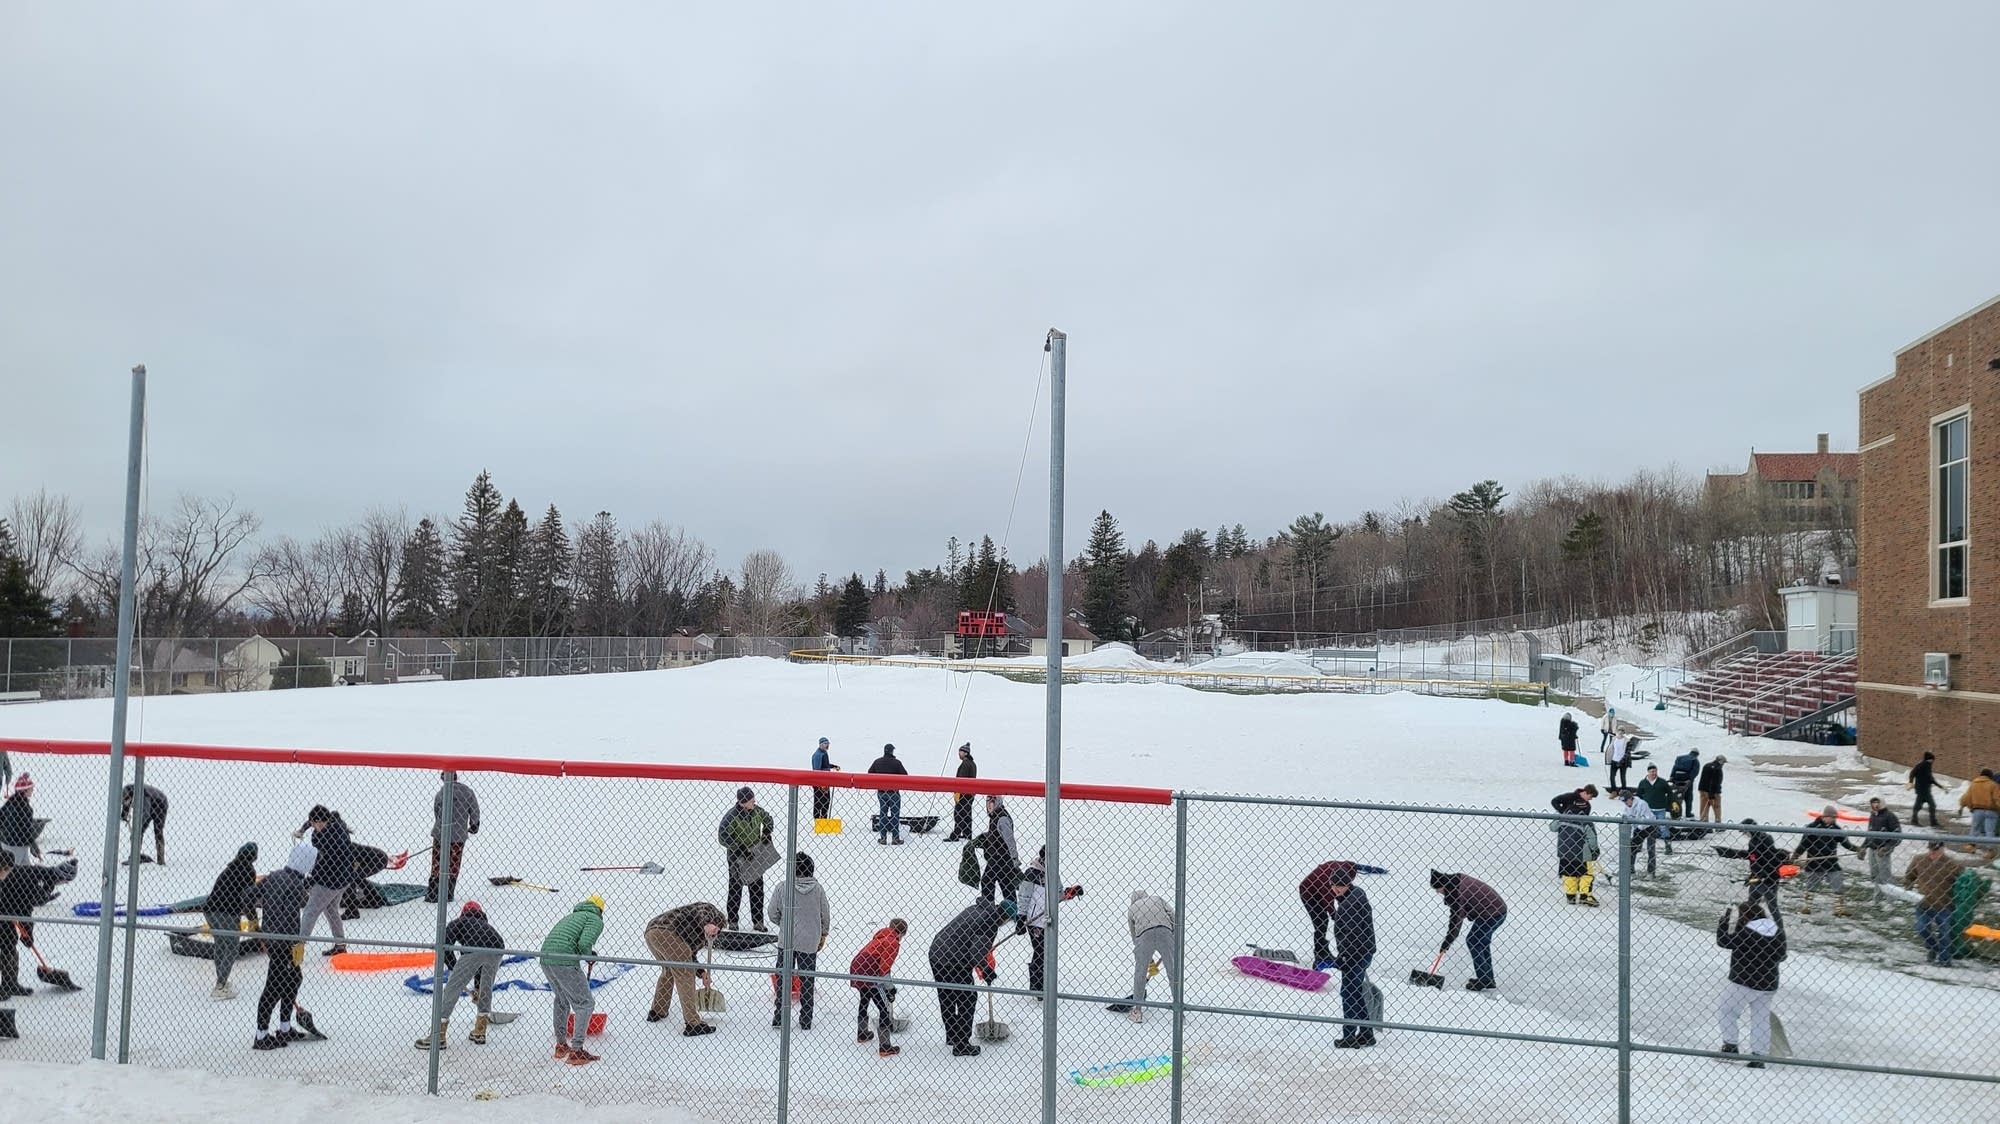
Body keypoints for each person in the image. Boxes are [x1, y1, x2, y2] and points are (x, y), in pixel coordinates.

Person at [250, 842, 323, 1050]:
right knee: (273, 988)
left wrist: (256, 926)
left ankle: (284, 1028)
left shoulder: (274, 876)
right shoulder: (295, 886)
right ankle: (261, 1036)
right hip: (285, 942)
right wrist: (295, 944)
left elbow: (247, 897)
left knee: (294, 979)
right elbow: (292, 917)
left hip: (273, 939)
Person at [928, 897, 1015, 1056]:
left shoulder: (977, 908)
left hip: (937, 952)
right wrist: (987, 970)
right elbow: (976, 951)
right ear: (1005, 918)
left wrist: (983, 964)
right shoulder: (990, 923)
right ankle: (961, 1044)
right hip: (954, 959)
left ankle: (952, 1035)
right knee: (967, 998)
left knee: (946, 995)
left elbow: (973, 944)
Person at [417, 900, 506, 1048]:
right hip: (497, 948)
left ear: (463, 913)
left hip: (474, 949)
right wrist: (478, 987)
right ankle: (480, 1031)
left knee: (452, 990)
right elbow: (481, 961)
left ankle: (438, 1035)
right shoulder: (486, 926)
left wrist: (453, 968)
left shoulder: (459, 922)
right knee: (486, 988)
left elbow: (445, 946)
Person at [1714, 898, 1786, 1068]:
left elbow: (1724, 941)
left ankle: (1730, 1046)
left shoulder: (1747, 932)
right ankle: (1759, 1057)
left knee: (1727, 1011)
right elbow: (1782, 955)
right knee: (1760, 1019)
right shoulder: (1776, 930)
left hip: (1744, 981)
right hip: (1768, 983)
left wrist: (1725, 918)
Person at [0, 849, 76, 998]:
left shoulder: (20, 879)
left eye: (6, 869)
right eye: (0, 868)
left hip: (7, 914)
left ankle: (10, 984)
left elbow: (25, 909)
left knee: (9, 946)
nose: (3, 872)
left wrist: (27, 933)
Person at [540, 894, 605, 1066]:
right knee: (585, 1003)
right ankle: (577, 1051)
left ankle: (561, 1045)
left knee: (561, 999)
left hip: (545, 957)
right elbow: (584, 943)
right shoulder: (595, 919)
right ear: (600, 910)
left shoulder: (572, 916)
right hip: (564, 960)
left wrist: (587, 954)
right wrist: (588, 954)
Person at [768, 852, 830, 1031]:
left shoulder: (783, 887)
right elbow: (825, 914)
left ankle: (779, 1016)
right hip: (810, 941)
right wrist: (822, 933)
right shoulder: (818, 890)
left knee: (783, 977)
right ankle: (806, 1019)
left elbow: (772, 912)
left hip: (787, 940)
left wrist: (785, 923)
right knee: (807, 979)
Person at [643, 900, 724, 1036]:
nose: (714, 935)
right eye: (716, 930)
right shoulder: (711, 911)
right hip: (668, 932)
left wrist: (702, 973)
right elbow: (702, 911)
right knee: (685, 974)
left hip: (652, 932)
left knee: (669, 970)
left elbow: (689, 956)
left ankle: (657, 1011)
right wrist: (709, 923)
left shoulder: (699, 937)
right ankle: (693, 1023)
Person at [1319, 863, 1377, 1049]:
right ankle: (1367, 1033)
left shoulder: (1348, 906)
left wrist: (1344, 958)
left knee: (1349, 994)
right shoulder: (1356, 893)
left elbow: (1351, 936)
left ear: (1345, 885)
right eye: (1333, 885)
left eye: (1338, 886)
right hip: (1363, 952)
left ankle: (1350, 1036)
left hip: (1355, 956)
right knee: (1355, 992)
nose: (1334, 889)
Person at [1430, 870, 1506, 990]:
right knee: (1482, 943)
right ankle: (1487, 978)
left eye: (1438, 888)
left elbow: (1456, 920)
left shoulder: (1456, 892)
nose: (1437, 891)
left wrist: (1447, 941)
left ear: (1444, 885)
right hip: (1496, 911)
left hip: (1492, 913)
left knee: (1473, 941)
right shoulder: (1455, 882)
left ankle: (1484, 979)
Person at [203, 842, 260, 1000]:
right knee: (232, 947)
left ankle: (221, 980)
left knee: (221, 944)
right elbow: (247, 900)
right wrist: (253, 921)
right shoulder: (248, 871)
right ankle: (220, 985)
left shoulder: (231, 867)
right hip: (226, 912)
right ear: (254, 857)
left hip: (209, 910)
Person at [296, 806, 355, 955]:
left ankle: (298, 947)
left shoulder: (333, 838)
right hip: (344, 878)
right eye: (316, 823)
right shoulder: (330, 824)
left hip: (332, 881)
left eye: (322, 823)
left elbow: (326, 863)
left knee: (311, 910)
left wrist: (312, 879)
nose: (318, 826)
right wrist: (302, 829)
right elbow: (310, 822)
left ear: (327, 821)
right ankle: (340, 945)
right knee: (330, 909)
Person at [1904, 840, 1971, 965]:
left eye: (1935, 850)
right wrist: (1908, 889)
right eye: (1931, 850)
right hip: (1923, 904)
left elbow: (1965, 879)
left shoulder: (1952, 864)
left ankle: (1945, 961)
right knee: (1921, 928)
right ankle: (1934, 948)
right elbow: (1909, 875)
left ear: (1942, 850)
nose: (1932, 853)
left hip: (1944, 905)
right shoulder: (1919, 860)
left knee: (1944, 934)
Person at [718, 787, 774, 932]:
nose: (754, 801)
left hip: (754, 856)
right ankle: (733, 920)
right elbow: (722, 837)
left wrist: (767, 832)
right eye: (751, 799)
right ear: (743, 802)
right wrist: (740, 848)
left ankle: (758, 921)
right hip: (737, 859)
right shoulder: (731, 816)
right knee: (735, 889)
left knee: (757, 889)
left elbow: (768, 819)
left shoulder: (757, 811)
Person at [850, 918, 907, 1057]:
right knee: (884, 1008)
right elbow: (884, 969)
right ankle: (885, 1045)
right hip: (869, 971)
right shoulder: (893, 942)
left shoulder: (881, 936)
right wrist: (890, 989)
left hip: (857, 966)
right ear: (901, 933)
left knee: (864, 998)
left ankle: (862, 1033)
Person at [1714, 820, 1785, 921]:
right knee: (1752, 905)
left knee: (1772, 906)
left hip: (1769, 879)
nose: (1744, 834)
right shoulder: (1753, 841)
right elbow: (1753, 859)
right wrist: (1752, 876)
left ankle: (1779, 930)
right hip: (1757, 878)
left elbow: (1767, 860)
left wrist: (1759, 875)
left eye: (1744, 832)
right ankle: (1751, 927)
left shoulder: (1765, 839)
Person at [1126, 889, 1180, 1023]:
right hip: (1165, 932)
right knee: (1173, 972)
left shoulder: (1132, 909)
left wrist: (1148, 962)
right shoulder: (1157, 899)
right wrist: (1173, 934)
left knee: (1140, 973)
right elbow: (1173, 915)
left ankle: (1137, 1011)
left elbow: (1135, 937)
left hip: (1144, 937)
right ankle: (1179, 1011)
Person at [428, 770, 480, 904]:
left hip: (440, 834)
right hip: (458, 835)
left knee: (437, 863)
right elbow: (474, 809)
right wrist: (474, 824)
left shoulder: (441, 793)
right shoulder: (467, 792)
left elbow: (437, 812)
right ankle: (448, 892)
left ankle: (434, 892)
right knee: (453, 864)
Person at [1791, 807, 1849, 916]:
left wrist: (1857, 849)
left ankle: (1839, 909)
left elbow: (1846, 843)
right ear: (1825, 817)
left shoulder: (1836, 829)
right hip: (1814, 863)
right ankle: (1807, 907)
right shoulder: (1812, 828)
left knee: (1838, 883)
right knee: (1811, 886)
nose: (1834, 820)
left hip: (1831, 863)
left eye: (1835, 818)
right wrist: (1795, 855)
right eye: (1832, 817)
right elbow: (1804, 844)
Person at [1841, 797, 1901, 899]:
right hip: (1872, 849)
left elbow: (1897, 835)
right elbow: (1869, 834)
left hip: (1883, 850)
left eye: (1877, 802)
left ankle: (1891, 900)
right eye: (1873, 803)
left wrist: (1887, 847)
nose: (1875, 805)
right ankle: (1877, 897)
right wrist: (1863, 847)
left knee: (1885, 875)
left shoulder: (1890, 816)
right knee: (1875, 875)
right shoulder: (1873, 816)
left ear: (1882, 803)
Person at [1551, 786, 1601, 906]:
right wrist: (1595, 850)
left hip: (1564, 851)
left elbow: (1552, 827)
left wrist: (1561, 814)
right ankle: (1585, 895)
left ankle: (1571, 896)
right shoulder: (1586, 821)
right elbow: (1592, 837)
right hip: (1580, 852)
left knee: (1568, 874)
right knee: (1586, 874)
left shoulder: (1562, 817)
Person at [1299, 860, 1349, 971]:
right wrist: (1335, 916)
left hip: (1318, 890)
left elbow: (1341, 893)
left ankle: (1323, 950)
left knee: (1323, 921)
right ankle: (1320, 953)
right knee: (1321, 921)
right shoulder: (1328, 878)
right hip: (1308, 893)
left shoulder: (1344, 872)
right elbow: (1327, 899)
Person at [1019, 846, 1050, 994]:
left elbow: (1058, 895)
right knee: (1040, 951)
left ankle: (1042, 983)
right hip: (1034, 921)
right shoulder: (1031, 874)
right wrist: (1021, 917)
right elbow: (1024, 897)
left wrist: (1071, 892)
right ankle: (1037, 985)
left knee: (1044, 952)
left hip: (1048, 920)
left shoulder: (1052, 873)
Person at [978, 795, 1020, 904]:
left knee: (987, 880)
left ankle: (988, 907)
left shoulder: (1002, 819)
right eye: (987, 802)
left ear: (997, 802)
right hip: (998, 857)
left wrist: (1014, 858)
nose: (989, 805)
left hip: (1000, 858)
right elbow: (997, 835)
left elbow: (1010, 840)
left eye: (992, 802)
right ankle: (1012, 905)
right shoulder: (995, 816)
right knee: (1005, 883)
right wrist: (985, 837)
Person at [867, 744, 909, 844]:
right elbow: (905, 775)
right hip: (894, 792)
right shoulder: (897, 763)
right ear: (892, 751)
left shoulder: (877, 762)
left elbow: (870, 773)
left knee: (883, 815)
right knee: (895, 815)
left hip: (881, 792)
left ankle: (883, 838)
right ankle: (895, 838)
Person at [120, 783, 170, 865]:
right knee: (138, 832)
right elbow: (126, 805)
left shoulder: (142, 793)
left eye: (126, 800)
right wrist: (124, 815)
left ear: (130, 796)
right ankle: (135, 856)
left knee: (158, 831)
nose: (125, 803)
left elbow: (146, 813)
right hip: (150, 804)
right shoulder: (127, 793)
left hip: (161, 804)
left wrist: (137, 827)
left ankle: (161, 860)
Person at [1618, 790, 1662, 876]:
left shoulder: (1642, 804)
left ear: (1631, 798)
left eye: (1626, 800)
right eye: (1623, 801)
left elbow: (1647, 818)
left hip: (1650, 827)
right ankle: (1630, 869)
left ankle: (1651, 872)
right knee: (1632, 848)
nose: (1625, 803)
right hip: (1638, 829)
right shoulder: (1627, 807)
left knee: (1651, 849)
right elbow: (1626, 816)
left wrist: (1639, 828)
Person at [1635, 765, 1677, 854]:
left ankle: (1668, 846)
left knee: (1663, 826)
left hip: (1660, 809)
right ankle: (1638, 845)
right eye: (1652, 771)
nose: (1653, 773)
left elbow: (1670, 793)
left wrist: (1672, 803)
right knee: (1643, 827)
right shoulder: (1643, 783)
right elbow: (1639, 795)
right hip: (1647, 810)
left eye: (1655, 771)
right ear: (1648, 772)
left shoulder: (1662, 782)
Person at [0, 773, 39, 865]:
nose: (33, 790)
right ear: (24, 791)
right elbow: (27, 832)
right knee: (12, 872)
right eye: (30, 788)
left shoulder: (10, 802)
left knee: (26, 870)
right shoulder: (26, 809)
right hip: (17, 845)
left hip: (5, 842)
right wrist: (35, 849)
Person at [1958, 768, 2000, 852]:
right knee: (1989, 831)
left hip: (1977, 811)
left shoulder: (1974, 784)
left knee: (1975, 828)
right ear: (1990, 776)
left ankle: (1971, 846)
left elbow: (1966, 797)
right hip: (1991, 811)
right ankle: (1989, 850)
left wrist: (1961, 806)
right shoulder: (1993, 785)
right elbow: (1997, 799)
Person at [945, 743, 978, 842]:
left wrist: (957, 792)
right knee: (967, 814)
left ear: (966, 753)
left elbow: (961, 779)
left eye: (960, 751)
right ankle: (967, 834)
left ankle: (955, 835)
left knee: (959, 814)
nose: (959, 753)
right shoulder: (972, 763)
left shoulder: (965, 764)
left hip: (963, 794)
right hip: (970, 794)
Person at [1908, 751, 1939, 828]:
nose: (1932, 762)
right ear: (1929, 759)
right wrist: (1910, 782)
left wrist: (1940, 786)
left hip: (1925, 790)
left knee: (1930, 805)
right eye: (1932, 760)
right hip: (1922, 791)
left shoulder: (1927, 766)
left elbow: (1930, 778)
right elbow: (1912, 773)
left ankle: (1933, 822)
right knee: (1921, 806)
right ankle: (1915, 820)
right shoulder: (1921, 766)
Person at [810, 737, 838, 821]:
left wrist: (833, 766)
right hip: (820, 782)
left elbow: (825, 765)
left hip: (825, 781)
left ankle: (823, 818)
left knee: (826, 801)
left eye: (828, 744)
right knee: (819, 801)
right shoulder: (818, 755)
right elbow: (817, 770)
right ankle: (818, 819)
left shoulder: (824, 753)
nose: (827, 745)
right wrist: (820, 783)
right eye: (826, 744)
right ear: (821, 744)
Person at [1669, 749, 1701, 821]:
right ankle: (1688, 813)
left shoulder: (1679, 758)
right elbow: (1695, 771)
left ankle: (1675, 812)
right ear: (1697, 754)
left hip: (1677, 779)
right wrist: (1690, 779)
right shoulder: (1695, 760)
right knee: (1689, 797)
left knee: (1677, 796)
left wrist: (1671, 776)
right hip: (1686, 780)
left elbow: (1674, 767)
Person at [1698, 755, 1727, 823]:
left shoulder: (1706, 765)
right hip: (1713, 792)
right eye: (1723, 762)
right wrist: (1712, 794)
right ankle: (1718, 823)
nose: (1723, 764)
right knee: (1716, 807)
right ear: (1720, 761)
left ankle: (1703, 822)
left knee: (1704, 806)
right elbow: (1715, 782)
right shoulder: (1717, 769)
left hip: (1702, 790)